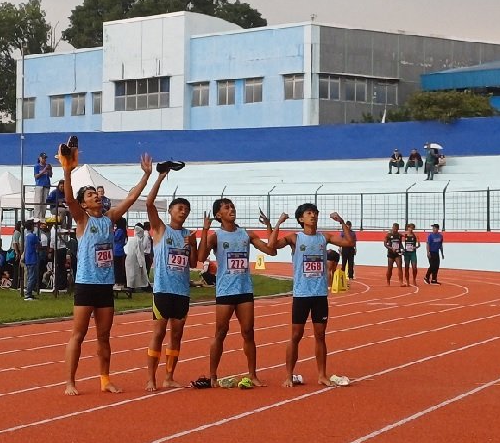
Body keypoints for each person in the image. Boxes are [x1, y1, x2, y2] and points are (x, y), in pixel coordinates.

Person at [62, 146, 153, 396]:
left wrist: (146, 176)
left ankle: (105, 379)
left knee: (104, 336)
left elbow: (132, 199)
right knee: (78, 335)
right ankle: (70, 381)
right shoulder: (83, 220)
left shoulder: (109, 218)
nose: (96, 197)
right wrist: (67, 172)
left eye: (96, 194)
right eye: (90, 195)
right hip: (85, 284)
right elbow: (69, 199)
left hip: (105, 286)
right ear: (84, 203)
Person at [269, 204, 354, 387]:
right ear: (301, 219)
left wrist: (341, 222)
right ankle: (288, 375)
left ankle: (322, 375)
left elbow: (349, 243)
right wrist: (278, 223)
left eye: (315, 213)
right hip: (301, 294)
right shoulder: (295, 238)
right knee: (296, 335)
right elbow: (272, 246)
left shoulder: (324, 237)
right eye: (309, 213)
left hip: (319, 294)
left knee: (320, 335)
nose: (313, 216)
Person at [197, 199, 277, 387]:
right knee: (220, 332)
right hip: (225, 290)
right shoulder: (216, 236)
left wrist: (269, 226)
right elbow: (201, 258)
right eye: (227, 208)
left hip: (244, 290)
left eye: (232, 207)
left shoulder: (246, 234)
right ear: (219, 215)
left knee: (248, 332)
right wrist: (205, 230)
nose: (231, 209)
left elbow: (271, 251)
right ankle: (213, 375)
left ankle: (253, 374)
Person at [145, 163, 197, 391]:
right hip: (163, 290)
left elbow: (194, 263)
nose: (183, 212)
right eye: (179, 208)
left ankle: (169, 376)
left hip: (182, 292)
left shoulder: (188, 235)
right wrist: (160, 177)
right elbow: (148, 203)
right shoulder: (160, 229)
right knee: (158, 333)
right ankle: (151, 378)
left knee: (177, 335)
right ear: (171, 211)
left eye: (186, 209)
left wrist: (192, 245)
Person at [125, 223, 149, 290]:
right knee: (135, 274)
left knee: (130, 273)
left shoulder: (131, 239)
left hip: (129, 258)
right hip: (135, 260)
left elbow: (126, 249)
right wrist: (141, 263)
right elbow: (139, 252)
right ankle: (133, 287)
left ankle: (130, 286)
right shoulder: (138, 240)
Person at [22, 219, 40, 301]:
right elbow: (38, 243)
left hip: (28, 258)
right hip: (32, 258)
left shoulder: (27, 236)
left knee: (30, 276)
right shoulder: (32, 236)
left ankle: (29, 293)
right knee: (32, 277)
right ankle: (28, 294)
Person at [33, 152, 53, 220]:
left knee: (44, 202)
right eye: (43, 158)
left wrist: (50, 169)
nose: (44, 160)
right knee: (38, 202)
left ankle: (42, 217)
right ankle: (36, 217)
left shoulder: (47, 165)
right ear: (40, 158)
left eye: (45, 158)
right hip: (39, 185)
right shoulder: (37, 166)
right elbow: (36, 176)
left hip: (46, 185)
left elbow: (50, 175)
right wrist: (44, 170)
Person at [113, 217, 128, 288]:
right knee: (119, 267)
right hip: (120, 251)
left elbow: (114, 238)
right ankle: (120, 281)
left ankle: (118, 282)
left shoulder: (119, 230)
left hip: (117, 251)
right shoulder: (123, 230)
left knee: (117, 268)